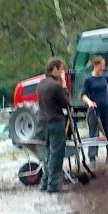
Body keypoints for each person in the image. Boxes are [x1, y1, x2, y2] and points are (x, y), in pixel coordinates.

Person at [37, 57, 71, 194]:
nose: (62, 72)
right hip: (55, 122)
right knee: (57, 155)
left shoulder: (41, 85)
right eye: (61, 69)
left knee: (48, 153)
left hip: (42, 122)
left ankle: (44, 183)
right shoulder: (55, 86)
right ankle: (54, 185)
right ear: (55, 69)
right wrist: (64, 86)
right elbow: (66, 103)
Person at [81, 56, 108, 165]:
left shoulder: (105, 77)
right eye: (102, 65)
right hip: (94, 111)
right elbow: (83, 95)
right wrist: (89, 102)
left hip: (106, 108)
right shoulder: (88, 79)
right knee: (94, 134)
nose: (103, 67)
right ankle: (92, 158)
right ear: (96, 65)